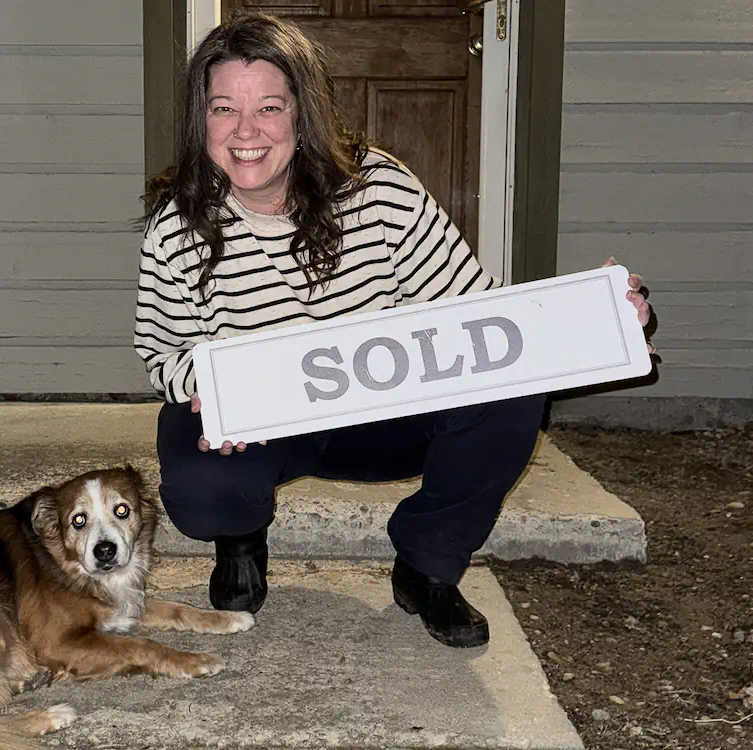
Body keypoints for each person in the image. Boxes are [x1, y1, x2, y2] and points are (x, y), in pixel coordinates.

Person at [133, 12, 652, 648]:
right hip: (262, 423)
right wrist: (209, 390)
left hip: (382, 416)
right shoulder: (178, 223)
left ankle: (426, 566)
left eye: (269, 106)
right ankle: (240, 538)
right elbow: (164, 348)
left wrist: (593, 316)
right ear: (201, 119)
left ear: (303, 113)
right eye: (224, 109)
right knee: (200, 479)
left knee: (514, 390)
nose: (247, 131)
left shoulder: (377, 187)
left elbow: (479, 313)